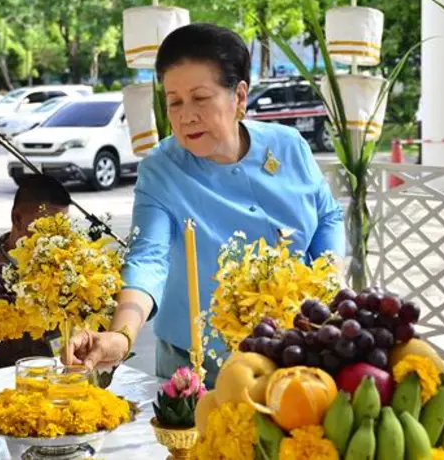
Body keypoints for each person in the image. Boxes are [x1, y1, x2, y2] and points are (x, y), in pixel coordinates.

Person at [62, 23, 344, 384]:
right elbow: (148, 259)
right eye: (174, 101)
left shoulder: (289, 146)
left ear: (239, 97)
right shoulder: (161, 170)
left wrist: (328, 279)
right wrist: (121, 335)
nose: (185, 115)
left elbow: (328, 218)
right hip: (199, 366)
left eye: (200, 97)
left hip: (297, 349)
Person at [0, 174, 71, 371]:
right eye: (47, 229)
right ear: (17, 218)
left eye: (63, 230)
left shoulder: (70, 268)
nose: (56, 239)